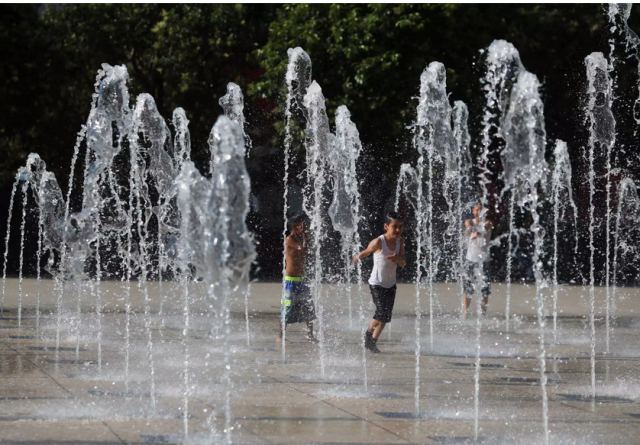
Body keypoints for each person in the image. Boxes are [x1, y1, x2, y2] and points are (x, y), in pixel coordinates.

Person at [353, 212, 406, 353]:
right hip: (377, 284)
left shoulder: (400, 243)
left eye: (400, 227)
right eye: (394, 227)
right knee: (381, 312)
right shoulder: (379, 242)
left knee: (386, 317)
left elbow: (403, 263)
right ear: (386, 226)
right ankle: (368, 334)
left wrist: (397, 259)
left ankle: (372, 343)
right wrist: (357, 257)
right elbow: (367, 251)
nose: (398, 230)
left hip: (391, 284)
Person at [279, 214, 317, 342]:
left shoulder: (301, 238)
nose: (304, 227)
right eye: (301, 225)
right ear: (295, 227)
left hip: (302, 280)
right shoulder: (290, 240)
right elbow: (302, 249)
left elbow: (308, 251)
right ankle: (280, 336)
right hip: (290, 281)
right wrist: (306, 236)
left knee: (308, 306)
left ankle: (310, 335)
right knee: (287, 307)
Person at [462, 201, 493, 316]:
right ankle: (465, 314)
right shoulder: (470, 222)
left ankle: (483, 315)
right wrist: (471, 229)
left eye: (481, 209)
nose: (478, 211)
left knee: (484, 290)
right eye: (476, 209)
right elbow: (468, 227)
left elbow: (484, 229)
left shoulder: (488, 223)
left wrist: (477, 232)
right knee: (468, 289)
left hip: (484, 261)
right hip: (470, 260)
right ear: (473, 211)